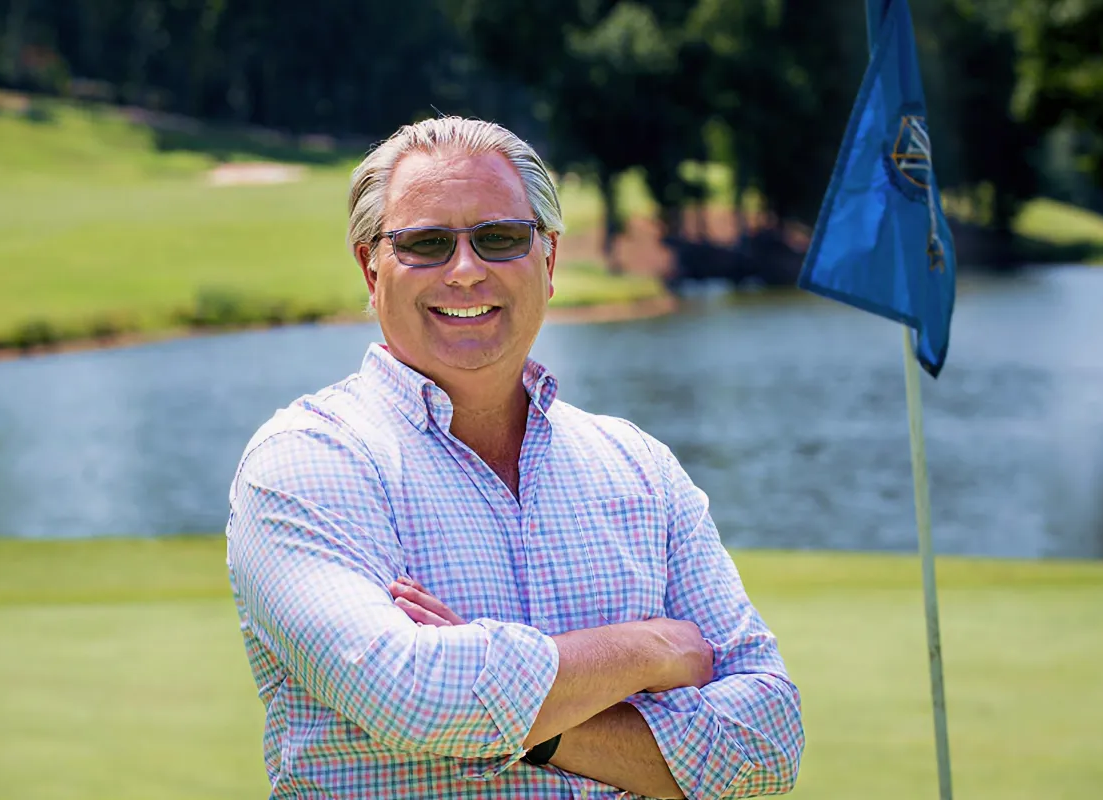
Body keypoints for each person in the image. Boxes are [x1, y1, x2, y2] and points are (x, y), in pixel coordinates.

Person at [225, 116, 804, 799]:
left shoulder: (640, 466)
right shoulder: (307, 462)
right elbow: (415, 697)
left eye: (499, 238)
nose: (466, 270)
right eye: (426, 243)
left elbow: (769, 745)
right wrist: (647, 650)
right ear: (370, 268)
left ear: (548, 261)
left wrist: (516, 710)